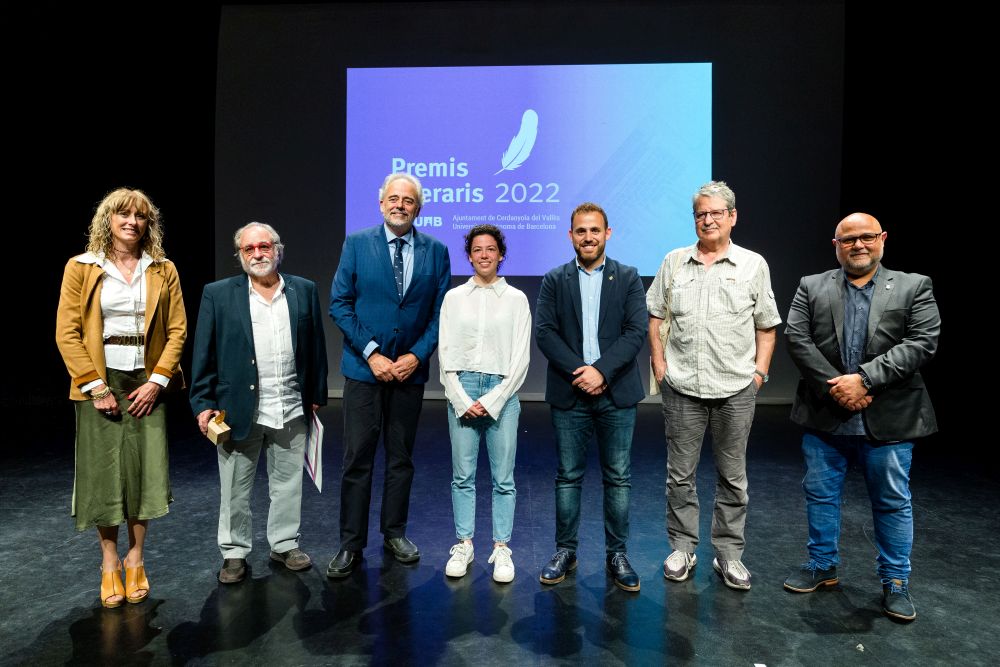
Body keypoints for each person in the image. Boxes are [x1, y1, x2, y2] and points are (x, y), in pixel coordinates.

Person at [782, 212, 939, 622]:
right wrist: (839, 387)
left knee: (891, 502)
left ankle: (896, 582)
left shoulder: (913, 285)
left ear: (882, 238)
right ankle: (822, 567)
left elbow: (921, 343)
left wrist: (865, 380)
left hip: (888, 419)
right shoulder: (811, 286)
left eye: (867, 237)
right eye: (848, 239)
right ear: (836, 244)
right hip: (825, 415)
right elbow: (797, 339)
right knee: (820, 496)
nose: (858, 245)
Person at [55, 187, 187, 608]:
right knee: (104, 474)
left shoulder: (163, 269)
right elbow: (67, 333)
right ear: (107, 219)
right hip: (100, 376)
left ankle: (137, 559)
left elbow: (178, 331)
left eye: (141, 216)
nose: (132, 221)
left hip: (148, 379)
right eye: (123, 214)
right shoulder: (81, 267)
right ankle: (109, 562)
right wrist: (95, 386)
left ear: (150, 224)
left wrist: (158, 381)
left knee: (145, 471)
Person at [647, 180, 780, 590]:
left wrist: (758, 375)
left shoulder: (753, 265)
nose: (707, 220)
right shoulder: (674, 261)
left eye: (715, 213)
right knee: (680, 475)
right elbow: (655, 316)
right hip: (683, 385)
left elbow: (767, 326)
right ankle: (683, 548)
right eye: (701, 214)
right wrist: (660, 366)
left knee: (732, 477)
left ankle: (729, 555)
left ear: (732, 217)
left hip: (736, 389)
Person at [189, 222, 328, 584]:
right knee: (235, 487)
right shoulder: (218, 295)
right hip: (237, 410)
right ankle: (234, 552)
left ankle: (284, 544)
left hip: (291, 405)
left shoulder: (304, 290)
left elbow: (315, 346)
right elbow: (203, 353)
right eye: (248, 249)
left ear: (277, 250)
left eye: (264, 246)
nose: (257, 254)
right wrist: (202, 402)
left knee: (288, 483)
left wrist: (315, 394)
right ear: (240, 255)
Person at [327, 172, 451, 577]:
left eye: (408, 200)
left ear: (418, 207)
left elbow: (439, 313)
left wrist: (416, 356)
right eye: (393, 199)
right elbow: (340, 304)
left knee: (401, 460)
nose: (400, 205)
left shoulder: (436, 251)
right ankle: (351, 544)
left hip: (409, 375)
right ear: (381, 205)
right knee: (357, 460)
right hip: (365, 372)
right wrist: (373, 353)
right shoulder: (358, 244)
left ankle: (394, 533)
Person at [535, 202, 647, 592]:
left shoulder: (629, 277)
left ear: (607, 233)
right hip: (570, 393)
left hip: (616, 394)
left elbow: (635, 332)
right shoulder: (554, 279)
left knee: (618, 478)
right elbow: (545, 333)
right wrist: (581, 373)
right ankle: (565, 550)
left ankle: (617, 554)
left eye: (594, 230)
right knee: (568, 477)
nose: (588, 237)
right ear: (570, 235)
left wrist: (601, 371)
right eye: (580, 231)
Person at [438, 224, 531, 583]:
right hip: (461, 389)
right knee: (462, 477)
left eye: (491, 249)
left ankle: (501, 547)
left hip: (502, 395)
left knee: (503, 479)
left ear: (501, 254)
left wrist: (491, 401)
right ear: (469, 255)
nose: (484, 255)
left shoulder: (516, 299)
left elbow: (521, 359)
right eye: (477, 249)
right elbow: (445, 355)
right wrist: (462, 398)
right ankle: (464, 543)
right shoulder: (453, 298)